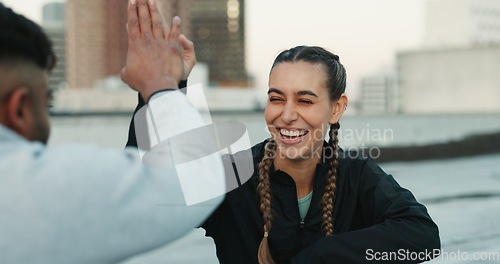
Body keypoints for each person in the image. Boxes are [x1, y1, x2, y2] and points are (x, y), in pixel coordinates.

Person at [128, 46, 440, 263]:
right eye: (277, 99)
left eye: (305, 101)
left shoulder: (356, 174)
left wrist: (323, 255)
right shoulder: (233, 174)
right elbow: (142, 194)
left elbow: (422, 236)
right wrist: (162, 90)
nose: (287, 115)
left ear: (337, 108)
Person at [0, 0, 224, 263]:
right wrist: (161, 84)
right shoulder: (31, 188)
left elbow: (141, 173)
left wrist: (168, 87)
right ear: (20, 109)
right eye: (46, 102)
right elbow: (196, 180)